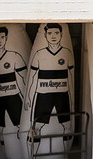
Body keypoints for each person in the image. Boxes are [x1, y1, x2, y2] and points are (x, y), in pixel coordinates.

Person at [26, 23, 74, 156]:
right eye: (50, 33)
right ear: (45, 35)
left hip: (62, 96)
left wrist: (72, 99)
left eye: (56, 33)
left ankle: (64, 155)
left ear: (61, 34)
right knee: (37, 127)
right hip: (43, 96)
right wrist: (29, 97)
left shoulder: (66, 53)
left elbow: (70, 77)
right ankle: (32, 155)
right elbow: (33, 78)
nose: (53, 36)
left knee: (66, 126)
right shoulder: (39, 54)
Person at [0, 26, 27, 147]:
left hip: (14, 96)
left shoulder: (14, 55)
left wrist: (25, 97)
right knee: (2, 125)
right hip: (0, 97)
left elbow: (23, 77)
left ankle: (22, 145)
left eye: (2, 37)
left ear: (7, 38)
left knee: (18, 123)